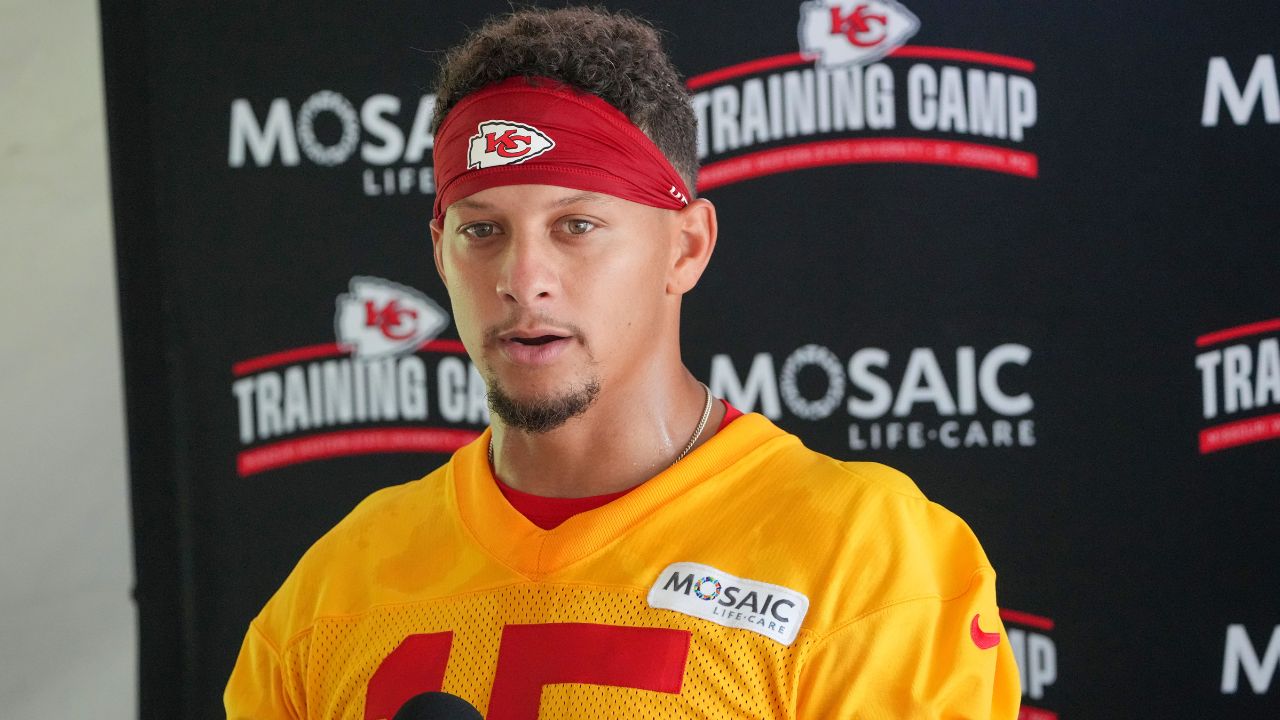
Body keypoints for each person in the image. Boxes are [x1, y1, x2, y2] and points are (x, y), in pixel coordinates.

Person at [225, 7, 1021, 718]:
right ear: (440, 252)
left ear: (687, 247)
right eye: (482, 230)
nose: (520, 278)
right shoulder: (334, 589)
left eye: (575, 226)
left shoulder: (865, 558)